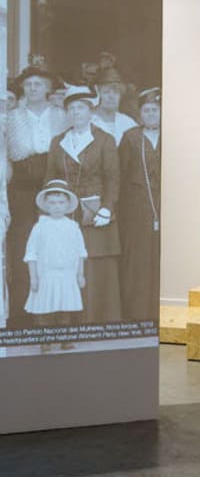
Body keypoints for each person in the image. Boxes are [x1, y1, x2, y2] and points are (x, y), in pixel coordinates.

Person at [45, 85, 121, 324]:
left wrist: (107, 207)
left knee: (95, 268)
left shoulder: (104, 140)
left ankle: (97, 322)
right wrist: (51, 211)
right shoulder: (58, 141)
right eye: (71, 108)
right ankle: (70, 323)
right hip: (65, 215)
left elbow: (113, 178)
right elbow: (49, 179)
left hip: (96, 215)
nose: (76, 112)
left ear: (91, 111)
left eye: (81, 107)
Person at [5, 65, 67, 324]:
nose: (33, 88)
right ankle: (23, 316)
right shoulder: (11, 117)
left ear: (48, 88)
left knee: (53, 245)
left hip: (52, 186)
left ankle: (54, 316)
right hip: (20, 188)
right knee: (24, 247)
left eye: (38, 84)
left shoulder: (61, 116)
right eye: (28, 84)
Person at [118, 88, 161, 321]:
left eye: (155, 109)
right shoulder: (130, 137)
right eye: (146, 110)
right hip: (137, 208)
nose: (151, 114)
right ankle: (137, 313)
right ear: (140, 114)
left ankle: (160, 309)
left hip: (165, 206)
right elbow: (121, 175)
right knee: (138, 260)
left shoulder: (170, 135)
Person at [24, 179, 87, 322]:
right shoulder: (40, 227)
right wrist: (33, 277)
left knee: (64, 313)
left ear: (68, 204)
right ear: (46, 205)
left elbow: (80, 252)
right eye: (52, 203)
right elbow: (31, 254)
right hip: (46, 277)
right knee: (45, 313)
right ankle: (46, 335)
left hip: (67, 276)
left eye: (61, 203)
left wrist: (80, 274)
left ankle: (64, 333)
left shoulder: (73, 227)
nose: (57, 207)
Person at [91, 67, 137, 145]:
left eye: (116, 93)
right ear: (99, 93)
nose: (111, 96)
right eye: (106, 92)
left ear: (120, 96)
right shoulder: (88, 121)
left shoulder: (128, 123)